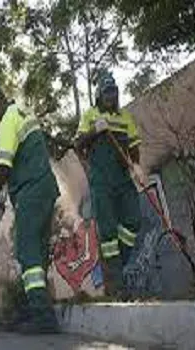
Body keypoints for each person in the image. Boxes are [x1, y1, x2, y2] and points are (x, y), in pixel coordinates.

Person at [0, 85, 60, 334]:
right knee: (38, 250)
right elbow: (21, 159)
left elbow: (4, 165)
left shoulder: (7, 121)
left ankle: (42, 317)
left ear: (0, 102)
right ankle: (34, 307)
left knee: (27, 250)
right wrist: (5, 195)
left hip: (31, 191)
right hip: (45, 188)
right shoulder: (25, 114)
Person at [72, 72, 145, 298]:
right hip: (101, 181)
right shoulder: (90, 115)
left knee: (134, 220)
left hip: (123, 178)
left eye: (113, 92)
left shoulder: (125, 118)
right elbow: (77, 144)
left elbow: (133, 146)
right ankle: (118, 284)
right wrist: (95, 130)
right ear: (98, 95)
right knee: (108, 232)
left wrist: (136, 167)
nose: (110, 96)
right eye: (106, 92)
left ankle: (117, 267)